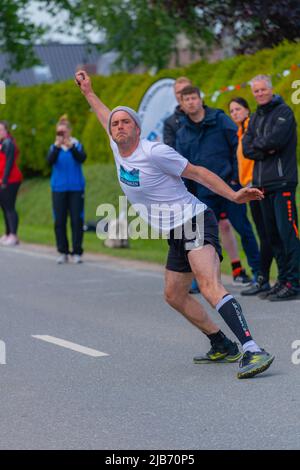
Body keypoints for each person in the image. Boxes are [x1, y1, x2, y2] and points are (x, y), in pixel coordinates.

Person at [75, 69, 275, 379]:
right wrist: (88, 92)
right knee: (174, 295)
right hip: (175, 231)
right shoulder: (118, 148)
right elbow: (105, 114)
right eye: (115, 124)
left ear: (138, 129)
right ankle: (221, 343)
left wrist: (234, 195)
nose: (118, 126)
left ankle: (252, 348)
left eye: (126, 121)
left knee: (209, 286)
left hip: (193, 220)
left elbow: (197, 172)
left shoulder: (154, 151)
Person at [163, 78, 251, 293]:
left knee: (236, 227)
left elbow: (234, 147)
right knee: (198, 234)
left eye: (191, 95)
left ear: (199, 98)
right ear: (179, 100)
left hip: (222, 182)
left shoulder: (216, 118)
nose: (188, 100)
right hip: (195, 188)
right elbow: (174, 157)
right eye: (182, 95)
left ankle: (250, 271)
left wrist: (234, 178)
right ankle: (198, 277)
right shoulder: (176, 125)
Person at [242, 74, 300, 301]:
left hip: (282, 182)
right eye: (255, 91)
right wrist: (263, 148)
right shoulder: (255, 117)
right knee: (272, 236)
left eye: (262, 90)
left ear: (270, 89)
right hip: (262, 185)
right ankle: (283, 280)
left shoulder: (284, 112)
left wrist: (262, 146)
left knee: (288, 234)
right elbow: (247, 148)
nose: (259, 94)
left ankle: (295, 283)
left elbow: (275, 141)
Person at [229, 97, 274, 296]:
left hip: (258, 184)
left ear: (247, 110)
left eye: (238, 109)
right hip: (248, 185)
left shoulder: (251, 127)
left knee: (266, 233)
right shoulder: (240, 131)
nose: (235, 113)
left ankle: (267, 277)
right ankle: (262, 278)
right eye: (231, 111)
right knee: (261, 231)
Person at [47, 116, 87, 264]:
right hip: (58, 188)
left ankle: (77, 252)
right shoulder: (54, 147)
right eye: (59, 132)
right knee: (60, 221)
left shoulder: (76, 145)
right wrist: (58, 146)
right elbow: (49, 161)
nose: (62, 135)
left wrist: (71, 146)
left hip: (76, 188)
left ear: (69, 131)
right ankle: (63, 251)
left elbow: (82, 158)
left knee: (77, 220)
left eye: (64, 131)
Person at [0, 120, 23, 246]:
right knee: (4, 207)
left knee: (9, 207)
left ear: (6, 131)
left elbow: (9, 163)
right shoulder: (2, 143)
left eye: (1, 130)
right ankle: (8, 233)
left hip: (11, 179)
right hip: (2, 179)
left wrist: (4, 180)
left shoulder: (9, 143)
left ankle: (14, 235)